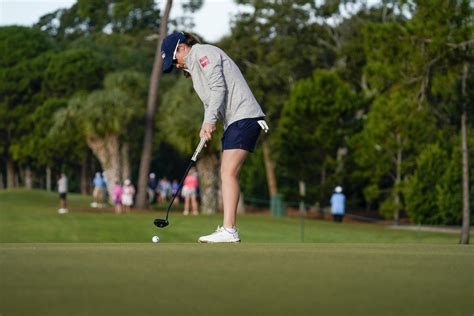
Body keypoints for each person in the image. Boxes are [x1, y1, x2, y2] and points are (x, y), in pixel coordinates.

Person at [161, 32, 268, 243]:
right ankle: (229, 229)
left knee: (228, 172)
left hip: (244, 116)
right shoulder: (194, 69)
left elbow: (219, 87)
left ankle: (230, 230)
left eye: (174, 60)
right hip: (235, 121)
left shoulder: (203, 52)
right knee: (226, 173)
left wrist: (210, 121)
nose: (176, 65)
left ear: (181, 48)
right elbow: (210, 101)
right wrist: (206, 124)